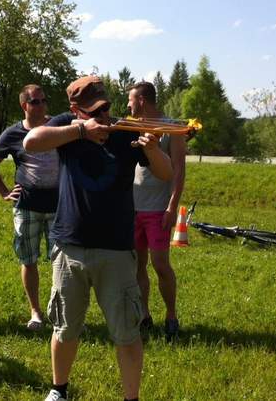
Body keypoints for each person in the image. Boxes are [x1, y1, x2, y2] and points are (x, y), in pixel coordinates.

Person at [24, 75, 173, 401]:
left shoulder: (125, 131)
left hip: (117, 249)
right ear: (75, 109)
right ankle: (59, 390)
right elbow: (30, 141)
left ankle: (131, 398)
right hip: (69, 247)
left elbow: (166, 173)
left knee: (127, 332)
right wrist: (80, 131)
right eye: (93, 112)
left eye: (105, 109)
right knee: (65, 327)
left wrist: (152, 149)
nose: (102, 118)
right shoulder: (67, 127)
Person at [0, 84, 59, 331]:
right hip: (27, 206)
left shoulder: (58, 126)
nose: (42, 105)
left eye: (44, 100)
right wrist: (4, 192)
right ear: (24, 105)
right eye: (36, 101)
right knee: (29, 260)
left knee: (62, 261)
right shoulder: (13, 133)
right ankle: (35, 311)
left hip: (59, 205)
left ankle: (59, 311)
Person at [127, 82, 186, 341]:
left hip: (158, 209)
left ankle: (171, 316)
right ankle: (145, 315)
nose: (128, 105)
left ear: (141, 100)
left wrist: (172, 206)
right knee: (138, 265)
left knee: (161, 265)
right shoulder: (131, 125)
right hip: (132, 208)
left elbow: (180, 169)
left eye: (131, 100)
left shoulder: (171, 128)